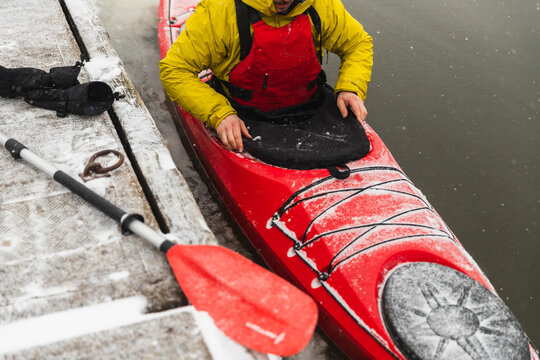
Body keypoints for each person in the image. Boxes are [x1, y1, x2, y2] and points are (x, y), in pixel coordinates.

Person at [160, 0, 373, 153]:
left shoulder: (319, 5)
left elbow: (357, 44)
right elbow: (175, 70)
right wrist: (220, 114)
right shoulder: (219, 10)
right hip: (244, 116)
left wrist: (350, 87)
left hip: (309, 107)